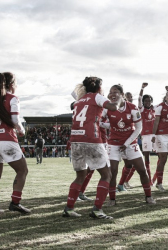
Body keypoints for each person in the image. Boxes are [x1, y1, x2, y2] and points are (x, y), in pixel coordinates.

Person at [62, 76, 118, 219]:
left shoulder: (78, 101)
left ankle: (69, 208)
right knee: (106, 175)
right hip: (92, 140)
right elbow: (113, 107)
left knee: (80, 175)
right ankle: (97, 210)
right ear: (99, 88)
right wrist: (117, 99)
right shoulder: (97, 97)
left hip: (75, 140)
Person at [102, 84, 155, 205]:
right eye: (110, 92)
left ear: (121, 94)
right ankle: (112, 199)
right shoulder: (107, 108)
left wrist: (126, 143)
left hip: (130, 143)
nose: (112, 94)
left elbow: (138, 128)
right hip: (114, 143)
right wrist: (107, 125)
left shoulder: (132, 108)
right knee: (112, 171)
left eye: (115, 91)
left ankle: (148, 197)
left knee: (142, 170)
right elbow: (101, 122)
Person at [0, 72, 30, 214]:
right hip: (6, 140)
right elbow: (16, 121)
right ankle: (15, 202)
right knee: (22, 170)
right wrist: (22, 130)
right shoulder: (12, 98)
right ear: (11, 85)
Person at [151, 91, 168, 191]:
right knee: (163, 159)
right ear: (165, 98)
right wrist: (153, 134)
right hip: (161, 135)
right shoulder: (160, 107)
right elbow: (156, 122)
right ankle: (159, 183)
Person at [138, 83, 155, 185]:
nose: (147, 102)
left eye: (149, 101)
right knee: (147, 158)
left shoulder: (154, 109)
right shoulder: (141, 110)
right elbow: (139, 99)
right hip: (145, 136)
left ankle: (156, 180)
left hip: (155, 136)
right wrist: (142, 89)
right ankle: (149, 180)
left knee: (162, 157)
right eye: (146, 101)